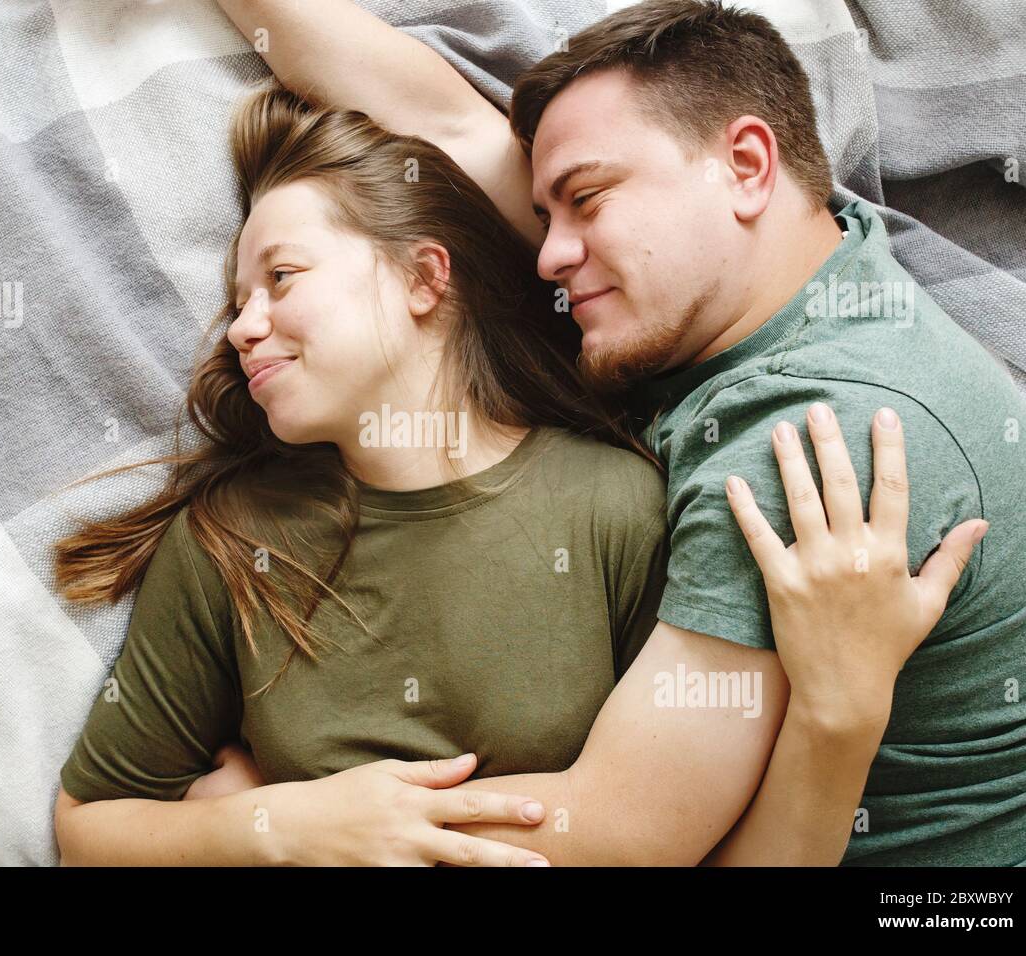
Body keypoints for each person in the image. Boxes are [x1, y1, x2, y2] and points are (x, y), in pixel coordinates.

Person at [207, 0, 1026, 866]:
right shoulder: (807, 256)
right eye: (547, 215)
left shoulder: (804, 443)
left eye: (585, 200)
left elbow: (617, 833)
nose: (546, 256)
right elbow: (444, 123)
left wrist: (283, 822)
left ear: (746, 165)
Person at [50, 85, 979, 866]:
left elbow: (689, 845)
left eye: (281, 278)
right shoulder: (231, 540)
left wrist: (372, 831)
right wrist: (276, 828)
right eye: (236, 302)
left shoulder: (617, 505)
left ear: (425, 279)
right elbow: (87, 825)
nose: (242, 326)